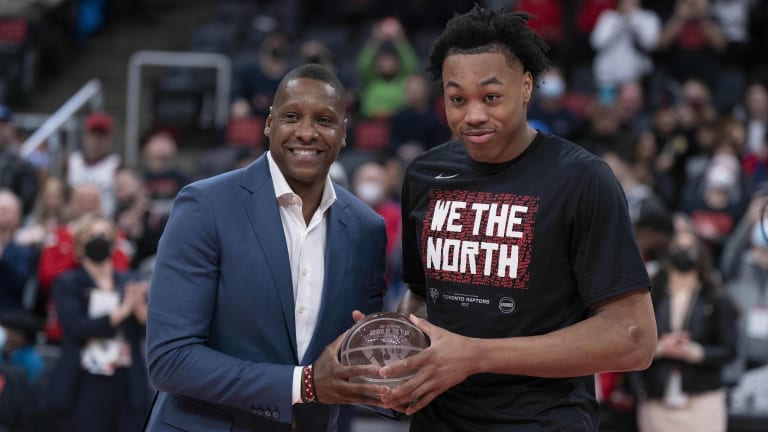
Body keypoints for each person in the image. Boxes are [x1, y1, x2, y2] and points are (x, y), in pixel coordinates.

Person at [378, 6, 658, 430]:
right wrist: (396, 341)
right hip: (437, 421)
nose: (473, 116)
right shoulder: (424, 174)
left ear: (526, 86)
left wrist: (476, 356)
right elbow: (421, 294)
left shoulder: (583, 179)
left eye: (491, 97)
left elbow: (634, 339)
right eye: (457, 99)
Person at [144, 64, 391, 431]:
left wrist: (405, 376)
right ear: (269, 123)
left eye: (324, 120)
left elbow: (359, 359)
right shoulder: (205, 205)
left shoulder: (366, 229)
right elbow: (171, 359)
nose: (306, 132)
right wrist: (303, 385)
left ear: (343, 132)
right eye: (292, 116)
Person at [44, 215, 150, 431]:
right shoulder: (68, 282)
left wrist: (139, 307)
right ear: (79, 245)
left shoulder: (130, 280)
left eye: (104, 235)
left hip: (127, 378)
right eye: (91, 236)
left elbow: (148, 328)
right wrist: (122, 312)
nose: (99, 240)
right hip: (85, 379)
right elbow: (75, 328)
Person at [636, 229, 738, 432]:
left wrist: (697, 352)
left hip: (703, 398)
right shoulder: (651, 294)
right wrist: (659, 348)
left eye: (689, 247)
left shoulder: (716, 296)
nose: (683, 252)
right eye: (678, 247)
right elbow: (634, 339)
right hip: (657, 396)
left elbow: (730, 349)